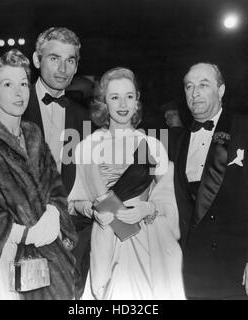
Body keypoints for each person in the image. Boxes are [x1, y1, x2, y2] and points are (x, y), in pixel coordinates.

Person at [0, 27, 92, 298]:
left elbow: (75, 187)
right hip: (0, 253)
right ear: (37, 60)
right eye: (54, 58)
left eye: (70, 60)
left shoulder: (84, 120)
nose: (62, 68)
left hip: (58, 248)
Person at [68, 67, 185, 300]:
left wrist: (148, 208)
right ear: (104, 103)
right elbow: (73, 202)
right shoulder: (87, 146)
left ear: (137, 100)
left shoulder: (151, 146)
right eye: (114, 97)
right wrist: (90, 209)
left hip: (145, 242)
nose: (123, 104)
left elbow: (168, 202)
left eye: (129, 96)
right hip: (104, 239)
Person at [172, 62, 248, 299]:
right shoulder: (178, 140)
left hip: (236, 265)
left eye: (203, 85)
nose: (195, 92)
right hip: (190, 266)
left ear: (220, 91)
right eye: (189, 86)